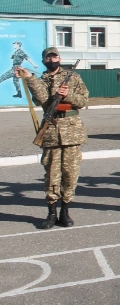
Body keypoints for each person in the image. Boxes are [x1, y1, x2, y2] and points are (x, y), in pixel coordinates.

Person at [15, 47, 88, 229]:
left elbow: (84, 101)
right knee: (52, 176)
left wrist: (67, 94)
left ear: (60, 58)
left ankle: (65, 212)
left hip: (72, 132)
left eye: (55, 56)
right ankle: (51, 213)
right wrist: (30, 78)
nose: (52, 59)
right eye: (48, 57)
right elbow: (40, 100)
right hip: (51, 132)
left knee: (70, 175)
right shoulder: (41, 79)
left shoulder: (74, 77)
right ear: (44, 61)